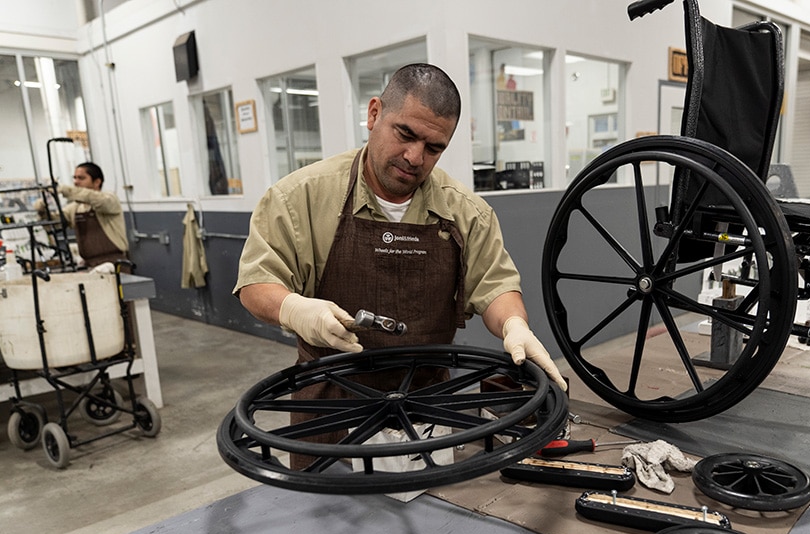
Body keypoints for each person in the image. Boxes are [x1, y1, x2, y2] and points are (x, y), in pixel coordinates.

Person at [235, 64, 567, 467]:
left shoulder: (466, 213)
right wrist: (294, 308)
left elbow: (495, 285)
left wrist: (515, 325)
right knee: (325, 521)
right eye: (405, 134)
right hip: (331, 411)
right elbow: (256, 282)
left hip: (427, 406)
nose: (414, 157)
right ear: (374, 114)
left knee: (438, 520)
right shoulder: (299, 197)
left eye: (434, 148)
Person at [58, 162, 130, 269]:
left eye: (81, 178)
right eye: (75, 178)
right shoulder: (76, 207)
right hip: (89, 265)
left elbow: (95, 199)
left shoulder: (109, 199)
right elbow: (56, 222)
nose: (76, 182)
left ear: (97, 182)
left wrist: (67, 191)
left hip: (114, 265)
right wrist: (43, 208)